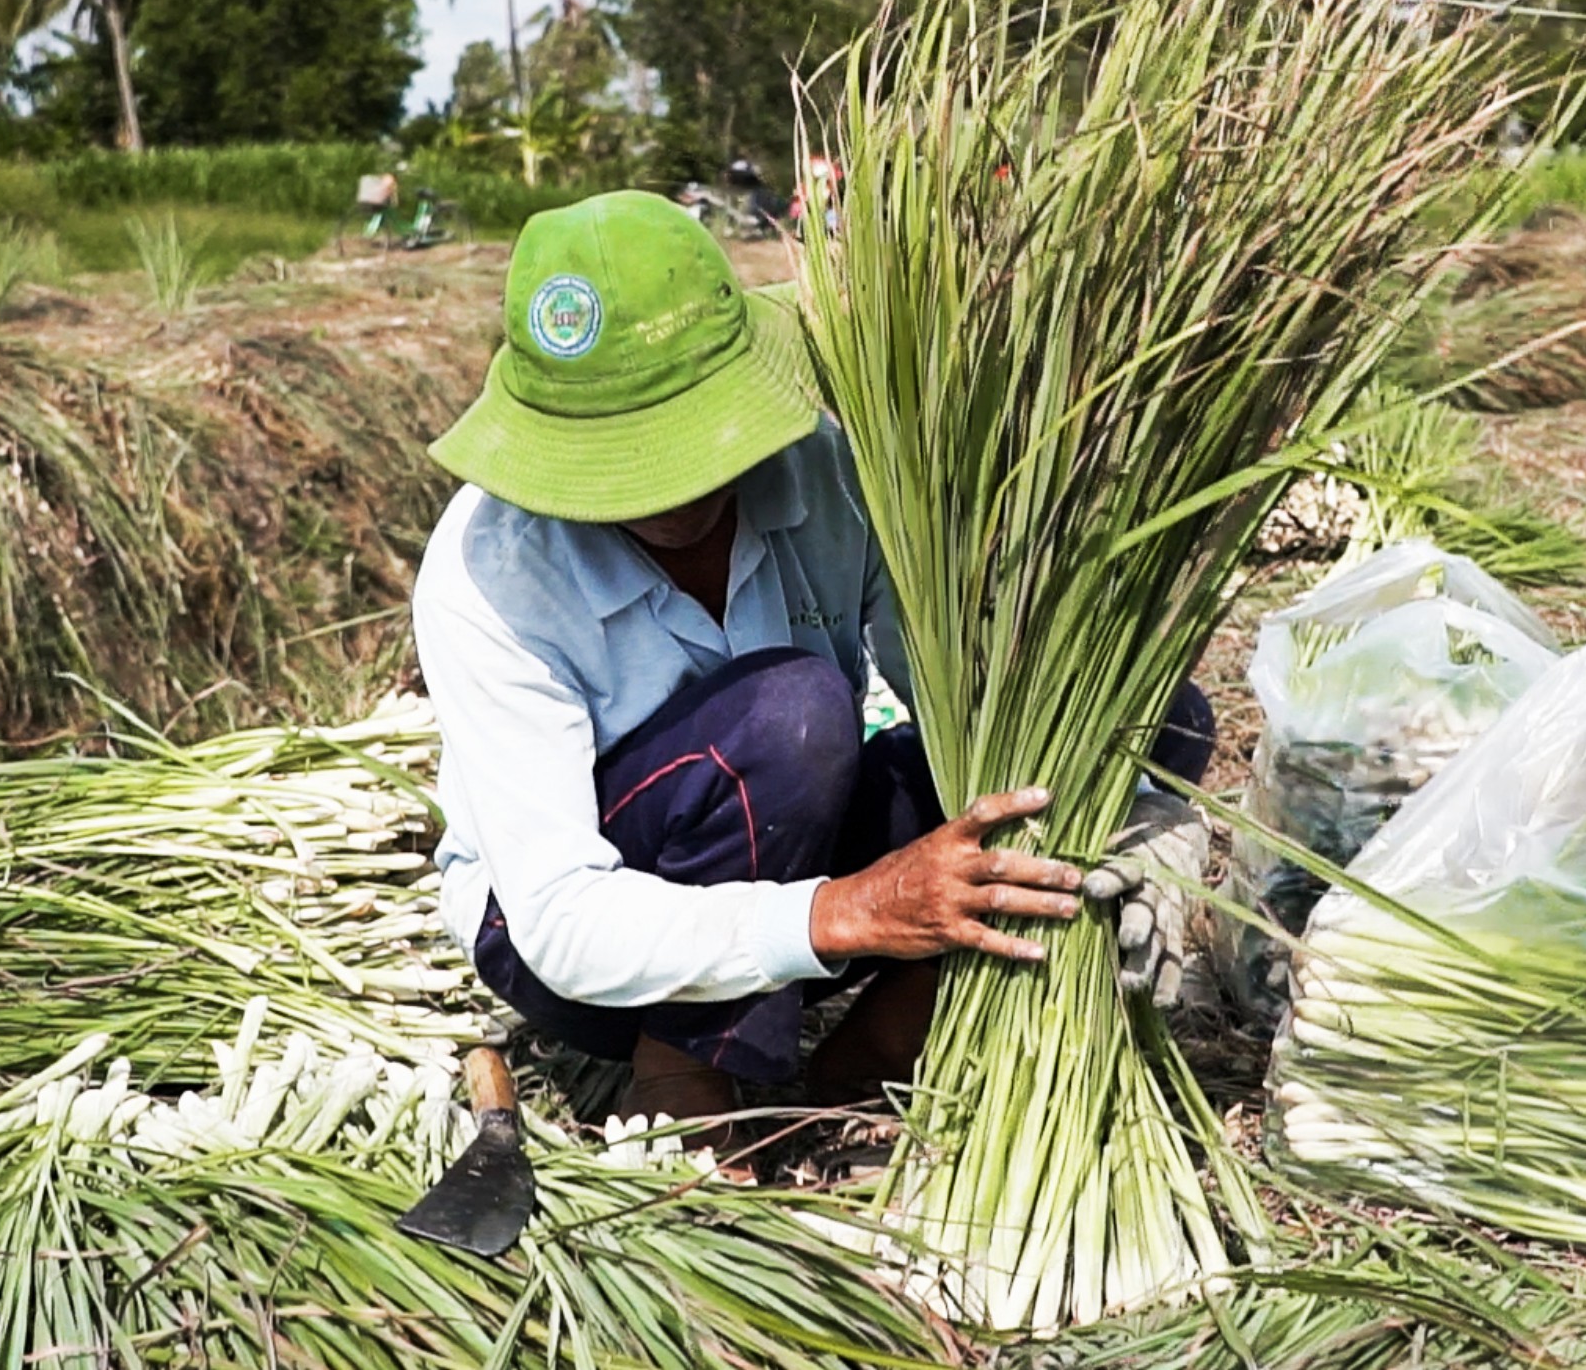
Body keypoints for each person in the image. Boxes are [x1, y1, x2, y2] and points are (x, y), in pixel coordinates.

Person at [414, 191, 1214, 1122]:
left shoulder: (825, 470)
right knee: (791, 716)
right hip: (585, 958)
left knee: (1143, 719)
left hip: (793, 849)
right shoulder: (489, 574)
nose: (671, 492)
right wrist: (852, 912)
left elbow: (956, 701)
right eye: (624, 462)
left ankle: (890, 1030)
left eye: (686, 443)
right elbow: (560, 923)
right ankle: (681, 1064)